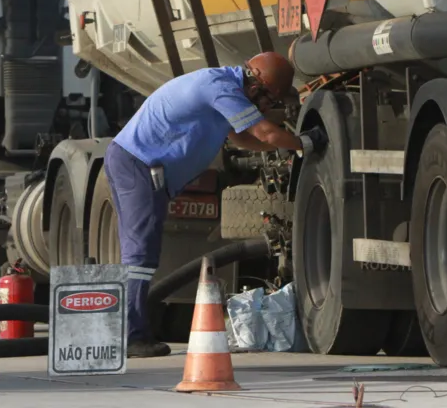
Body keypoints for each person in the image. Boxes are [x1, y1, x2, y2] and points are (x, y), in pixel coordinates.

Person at [104, 51, 327, 358]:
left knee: (142, 251)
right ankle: (132, 336)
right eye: (267, 99)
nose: (265, 107)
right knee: (140, 253)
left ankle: (128, 330)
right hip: (139, 163)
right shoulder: (220, 88)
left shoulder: (223, 87)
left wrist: (286, 148)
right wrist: (305, 142)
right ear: (256, 83)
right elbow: (264, 131)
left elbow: (243, 138)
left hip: (137, 162)